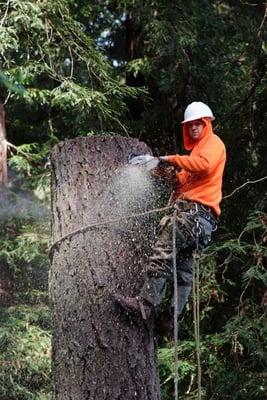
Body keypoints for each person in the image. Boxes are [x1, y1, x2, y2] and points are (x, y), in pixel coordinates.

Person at [115, 101, 226, 320]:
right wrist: (156, 169)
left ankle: (146, 303)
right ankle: (171, 319)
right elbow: (181, 181)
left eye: (198, 124)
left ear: (206, 124)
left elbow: (202, 164)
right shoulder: (196, 152)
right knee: (184, 271)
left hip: (192, 216)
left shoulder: (213, 144)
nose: (194, 128)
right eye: (190, 125)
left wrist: (165, 159)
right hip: (199, 223)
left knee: (163, 252)